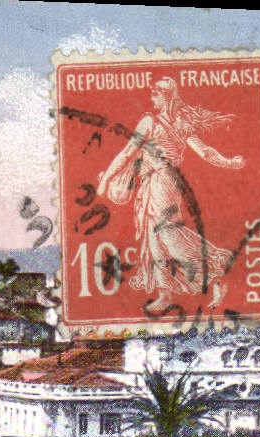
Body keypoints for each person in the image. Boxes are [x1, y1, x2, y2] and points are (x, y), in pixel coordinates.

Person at [95, 77, 245, 314]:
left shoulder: (151, 121)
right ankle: (165, 293)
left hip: (163, 182)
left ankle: (217, 275)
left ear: (165, 96)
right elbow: (205, 152)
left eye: (155, 95)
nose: (151, 99)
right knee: (154, 242)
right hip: (151, 183)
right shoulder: (171, 122)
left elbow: (127, 153)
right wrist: (229, 162)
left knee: (171, 239)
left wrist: (105, 180)